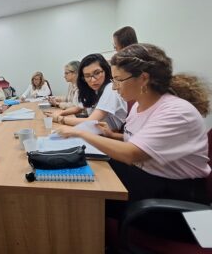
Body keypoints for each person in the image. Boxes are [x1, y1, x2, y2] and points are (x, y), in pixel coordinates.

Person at [57, 44, 211, 223]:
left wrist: (81, 134)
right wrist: (112, 135)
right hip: (148, 179)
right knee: (84, 176)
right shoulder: (139, 104)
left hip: (172, 199)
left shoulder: (176, 112)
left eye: (118, 80)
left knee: (84, 201)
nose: (114, 87)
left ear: (143, 78)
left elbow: (132, 154)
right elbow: (140, 140)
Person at [46, 54, 127, 131]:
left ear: (106, 70)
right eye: (87, 76)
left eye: (97, 73)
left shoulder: (110, 88)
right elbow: (79, 107)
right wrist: (60, 113)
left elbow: (91, 121)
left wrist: (59, 118)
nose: (93, 80)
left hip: (110, 137)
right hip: (96, 132)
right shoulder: (93, 89)